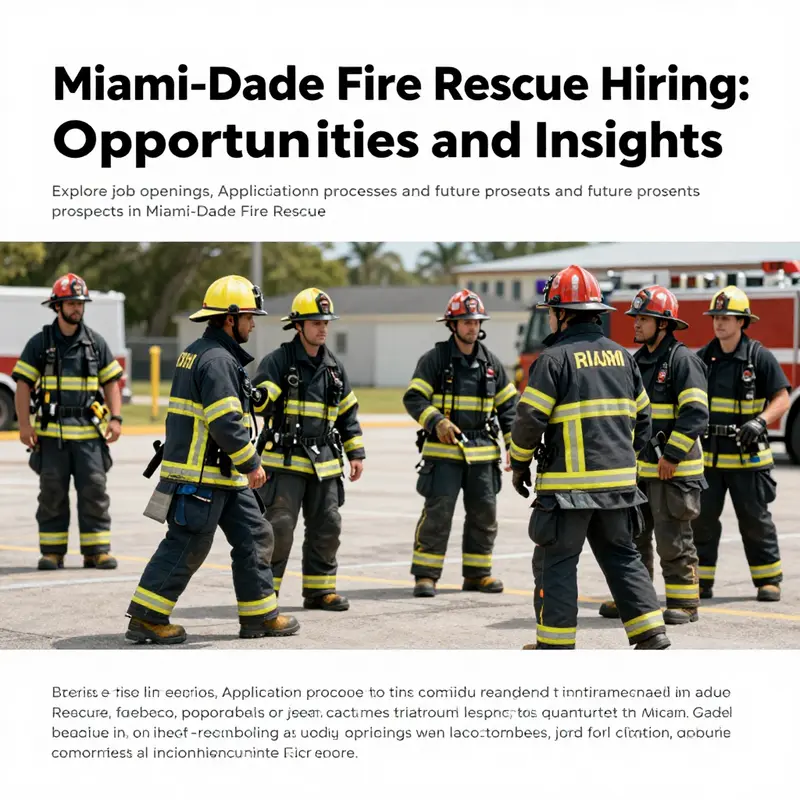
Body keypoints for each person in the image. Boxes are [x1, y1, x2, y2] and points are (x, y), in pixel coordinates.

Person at [125, 275, 299, 644]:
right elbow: (225, 422)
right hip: (201, 476)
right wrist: (252, 463)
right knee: (188, 543)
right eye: (250, 316)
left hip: (221, 476)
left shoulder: (208, 354)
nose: (254, 323)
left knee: (255, 535)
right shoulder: (218, 360)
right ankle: (147, 618)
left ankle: (260, 616)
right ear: (229, 318)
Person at [509, 265, 670, 650]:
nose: (549, 316)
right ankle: (651, 632)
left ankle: (555, 644)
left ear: (563, 314)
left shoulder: (553, 360)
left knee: (557, 561)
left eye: (551, 309)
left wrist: (518, 463)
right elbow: (643, 419)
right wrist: (623, 460)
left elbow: (529, 420)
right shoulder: (624, 358)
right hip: (619, 487)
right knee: (622, 556)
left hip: (567, 492)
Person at [598, 287, 708, 624]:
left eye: (643, 318)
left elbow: (695, 413)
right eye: (636, 318)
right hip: (641, 470)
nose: (635, 324)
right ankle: (637, 598)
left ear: (663, 324)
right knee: (635, 537)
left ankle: (684, 603)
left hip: (672, 471)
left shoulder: (682, 360)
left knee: (673, 538)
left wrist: (671, 457)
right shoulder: (637, 361)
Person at [253, 288, 365, 612]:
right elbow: (263, 399)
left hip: (326, 464)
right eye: (315, 322)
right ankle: (264, 595)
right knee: (279, 526)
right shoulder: (278, 361)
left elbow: (348, 414)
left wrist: (356, 453)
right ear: (298, 326)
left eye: (325, 322)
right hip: (285, 462)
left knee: (328, 525)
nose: (322, 328)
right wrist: (260, 396)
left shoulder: (334, 368)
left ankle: (319, 591)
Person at [403, 289, 518, 598]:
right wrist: (436, 421)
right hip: (443, 455)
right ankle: (425, 576)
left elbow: (509, 408)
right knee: (437, 515)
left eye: (476, 321)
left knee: (485, 514)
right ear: (452, 325)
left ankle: (478, 574)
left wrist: (513, 447)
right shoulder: (435, 360)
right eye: (465, 321)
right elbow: (414, 397)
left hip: (483, 456)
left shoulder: (491, 363)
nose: (472, 327)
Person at [12, 273, 124, 570]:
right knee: (52, 494)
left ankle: (96, 550)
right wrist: (24, 425)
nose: (77, 308)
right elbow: (23, 385)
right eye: (71, 303)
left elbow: (112, 382)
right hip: (52, 438)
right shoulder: (40, 344)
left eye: (80, 303)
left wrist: (116, 419)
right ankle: (52, 552)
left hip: (89, 438)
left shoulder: (95, 343)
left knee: (95, 493)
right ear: (57, 306)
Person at [692, 286, 790, 601]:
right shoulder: (701, 358)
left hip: (749, 459)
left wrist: (760, 421)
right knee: (701, 523)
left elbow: (782, 397)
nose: (719, 323)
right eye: (716, 317)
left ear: (742, 321)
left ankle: (768, 580)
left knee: (755, 521)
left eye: (726, 317)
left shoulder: (759, 356)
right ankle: (701, 581)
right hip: (709, 459)